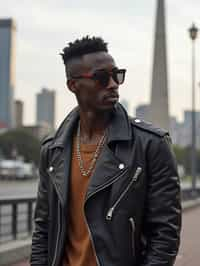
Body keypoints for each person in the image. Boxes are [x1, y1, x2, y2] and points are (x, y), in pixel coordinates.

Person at [30, 36, 181, 266]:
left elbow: (165, 233)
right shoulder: (53, 150)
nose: (113, 84)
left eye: (116, 75)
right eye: (101, 78)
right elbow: (44, 227)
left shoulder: (151, 144)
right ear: (73, 85)